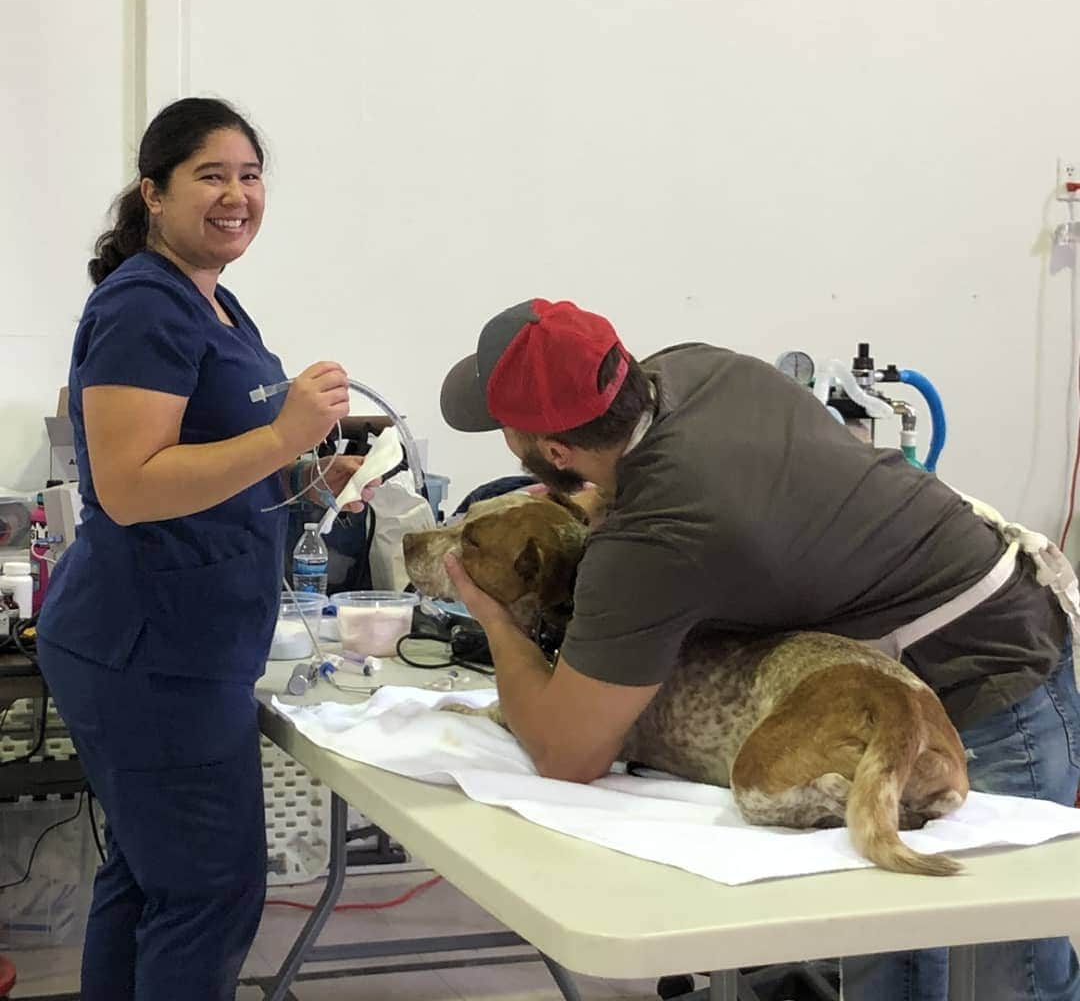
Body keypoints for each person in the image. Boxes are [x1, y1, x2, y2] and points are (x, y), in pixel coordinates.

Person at [438, 298, 1080, 1001]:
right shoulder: (696, 367)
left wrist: (493, 617)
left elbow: (569, 754)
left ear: (556, 454)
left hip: (986, 675)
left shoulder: (653, 539)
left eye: (509, 433)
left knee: (1006, 974)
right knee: (886, 952)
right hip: (986, 614)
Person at [36, 98, 373, 1001]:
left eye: (251, 176)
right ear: (153, 191)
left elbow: (214, 461)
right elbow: (132, 485)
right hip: (148, 652)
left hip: (187, 641)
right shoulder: (144, 306)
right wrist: (281, 438)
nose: (237, 196)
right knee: (210, 892)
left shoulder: (214, 301)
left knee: (152, 878)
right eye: (211, 176)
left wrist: (305, 477)